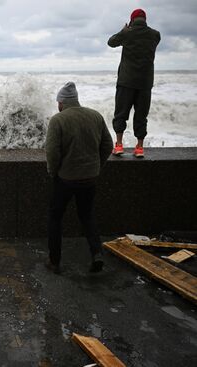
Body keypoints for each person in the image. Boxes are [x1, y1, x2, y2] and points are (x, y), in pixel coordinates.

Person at [45, 82, 113, 273]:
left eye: (58, 101)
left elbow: (52, 152)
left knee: (55, 217)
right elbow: (108, 145)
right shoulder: (95, 115)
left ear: (62, 102)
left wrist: (54, 172)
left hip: (66, 179)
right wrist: (95, 166)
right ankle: (97, 253)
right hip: (90, 178)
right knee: (87, 216)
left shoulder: (58, 120)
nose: (57, 105)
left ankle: (54, 261)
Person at [108, 8, 161, 158]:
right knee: (141, 115)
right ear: (145, 20)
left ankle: (118, 145)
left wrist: (124, 31)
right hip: (145, 83)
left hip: (126, 81)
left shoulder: (127, 33)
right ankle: (139, 148)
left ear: (132, 20)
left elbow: (111, 42)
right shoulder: (155, 35)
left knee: (121, 114)